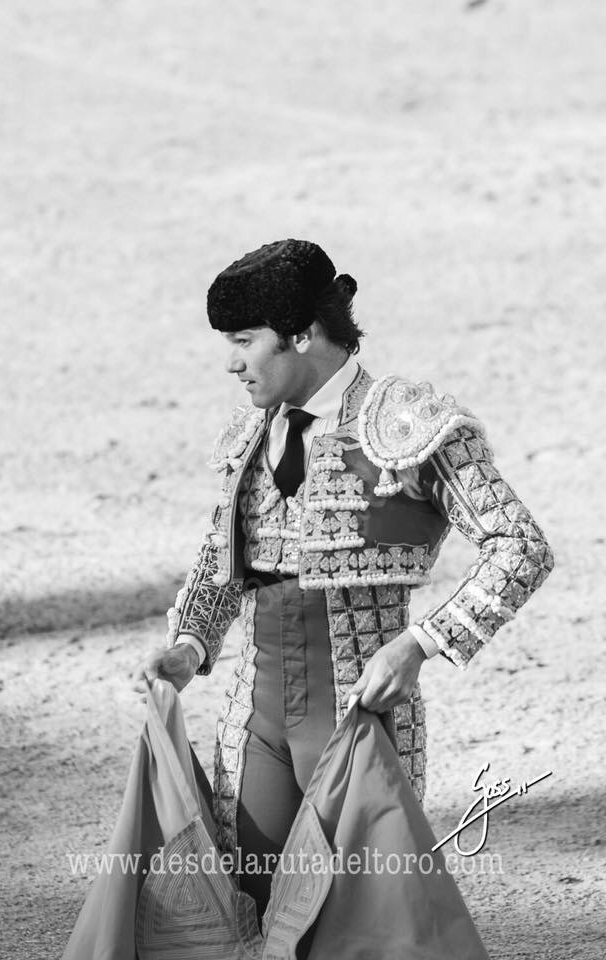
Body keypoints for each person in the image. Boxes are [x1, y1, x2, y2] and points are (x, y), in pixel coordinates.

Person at [136, 238, 554, 921]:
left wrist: (419, 644)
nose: (231, 363)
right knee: (251, 906)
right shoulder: (250, 433)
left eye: (244, 341)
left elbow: (521, 547)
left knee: (361, 920)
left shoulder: (408, 426)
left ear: (301, 334)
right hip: (254, 717)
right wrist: (188, 647)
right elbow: (221, 562)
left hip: (361, 712)